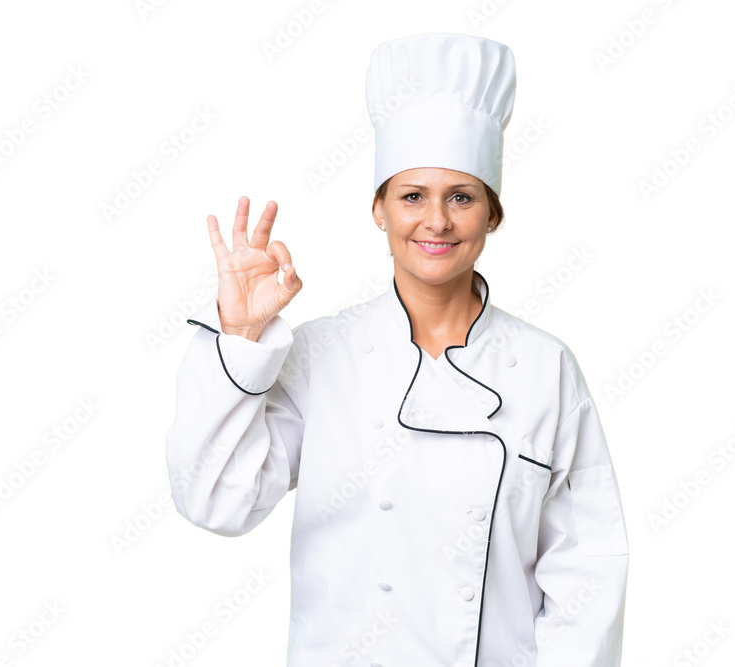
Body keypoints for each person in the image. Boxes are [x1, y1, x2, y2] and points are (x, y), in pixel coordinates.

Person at [165, 32, 629, 666]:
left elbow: (587, 571)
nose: (436, 221)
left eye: (461, 197)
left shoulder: (545, 369)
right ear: (379, 210)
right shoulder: (322, 356)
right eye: (412, 196)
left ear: (492, 215)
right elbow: (216, 500)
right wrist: (240, 335)